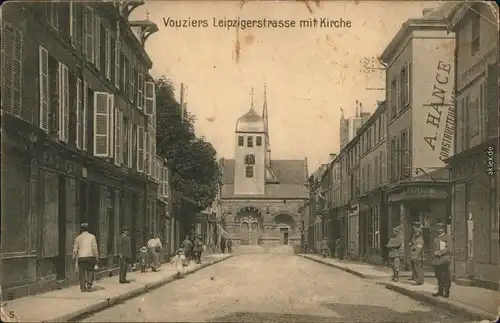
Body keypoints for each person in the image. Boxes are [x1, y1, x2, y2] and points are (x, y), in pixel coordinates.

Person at [72, 223, 99, 292]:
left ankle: (83, 287)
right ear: (88, 229)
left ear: (81, 229)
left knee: (81, 273)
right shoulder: (92, 237)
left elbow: (75, 250)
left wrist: (74, 258)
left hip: (81, 257)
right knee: (90, 271)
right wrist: (97, 258)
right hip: (90, 257)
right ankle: (89, 284)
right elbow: (95, 249)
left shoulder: (78, 238)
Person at [432, 223, 452, 298]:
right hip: (437, 260)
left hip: (444, 260)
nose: (438, 230)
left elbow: (449, 248)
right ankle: (440, 291)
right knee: (438, 276)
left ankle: (446, 292)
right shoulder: (436, 238)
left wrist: (440, 252)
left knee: (446, 277)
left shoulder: (447, 237)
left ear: (443, 229)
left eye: (440, 228)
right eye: (437, 228)